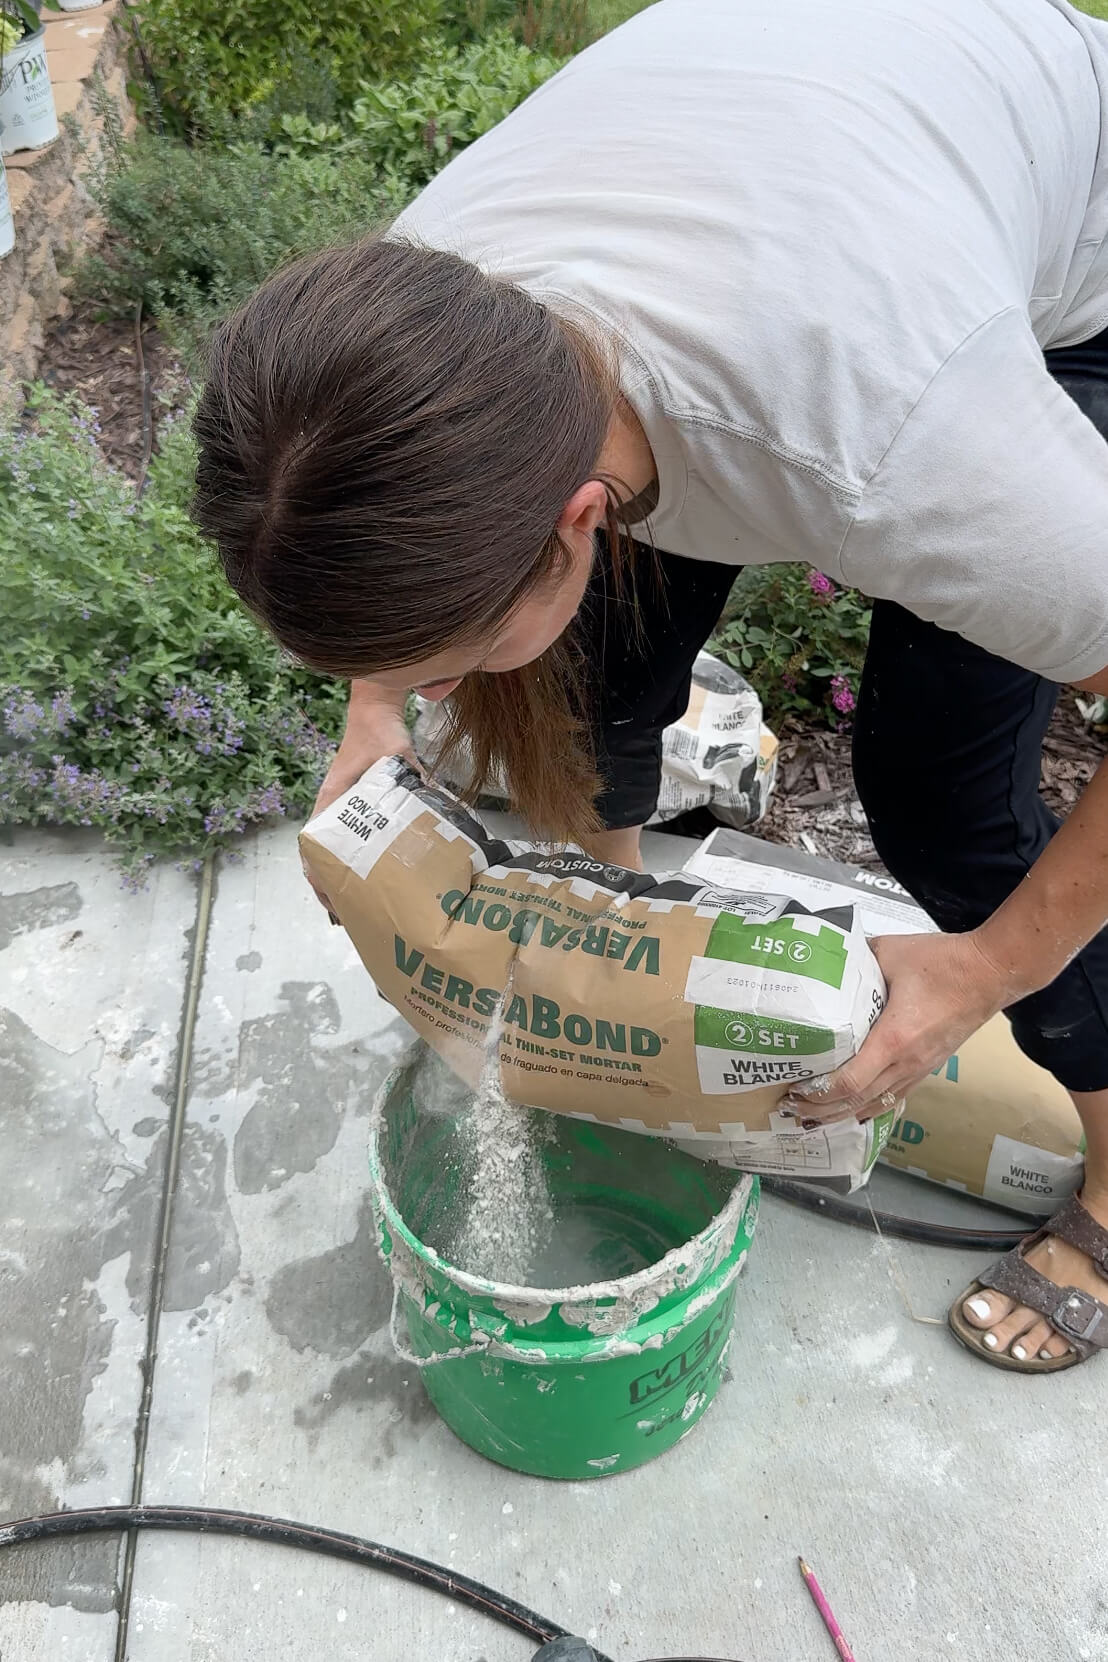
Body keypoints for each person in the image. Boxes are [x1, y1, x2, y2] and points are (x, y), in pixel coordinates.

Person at [192, 0, 1108, 1372]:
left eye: (428, 662)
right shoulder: (402, 338)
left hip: (1053, 244)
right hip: (803, 145)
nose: (418, 688)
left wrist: (985, 968)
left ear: (576, 520)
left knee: (941, 796)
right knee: (591, 692)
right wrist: (372, 718)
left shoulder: (897, 438)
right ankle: (628, 969)